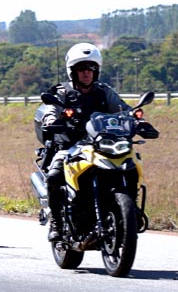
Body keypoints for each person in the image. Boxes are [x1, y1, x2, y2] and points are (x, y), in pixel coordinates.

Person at [39, 43, 130, 241]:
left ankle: (127, 213)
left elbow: (123, 109)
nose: (87, 72)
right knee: (54, 176)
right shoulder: (62, 93)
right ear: (73, 71)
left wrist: (137, 120)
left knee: (128, 165)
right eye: (82, 68)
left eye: (91, 68)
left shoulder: (104, 92)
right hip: (70, 147)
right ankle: (56, 222)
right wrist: (52, 120)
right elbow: (51, 110)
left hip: (100, 145)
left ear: (96, 70)